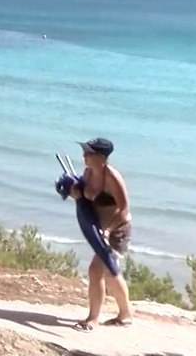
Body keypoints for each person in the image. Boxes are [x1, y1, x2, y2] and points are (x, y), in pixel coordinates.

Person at [69, 137, 134, 330]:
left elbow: (123, 209)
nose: (84, 155)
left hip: (117, 230)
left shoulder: (112, 177)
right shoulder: (88, 173)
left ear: (101, 157)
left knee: (96, 270)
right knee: (111, 274)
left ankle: (93, 319)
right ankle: (126, 314)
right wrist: (75, 193)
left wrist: (108, 231)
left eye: (89, 152)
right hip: (99, 230)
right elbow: (85, 199)